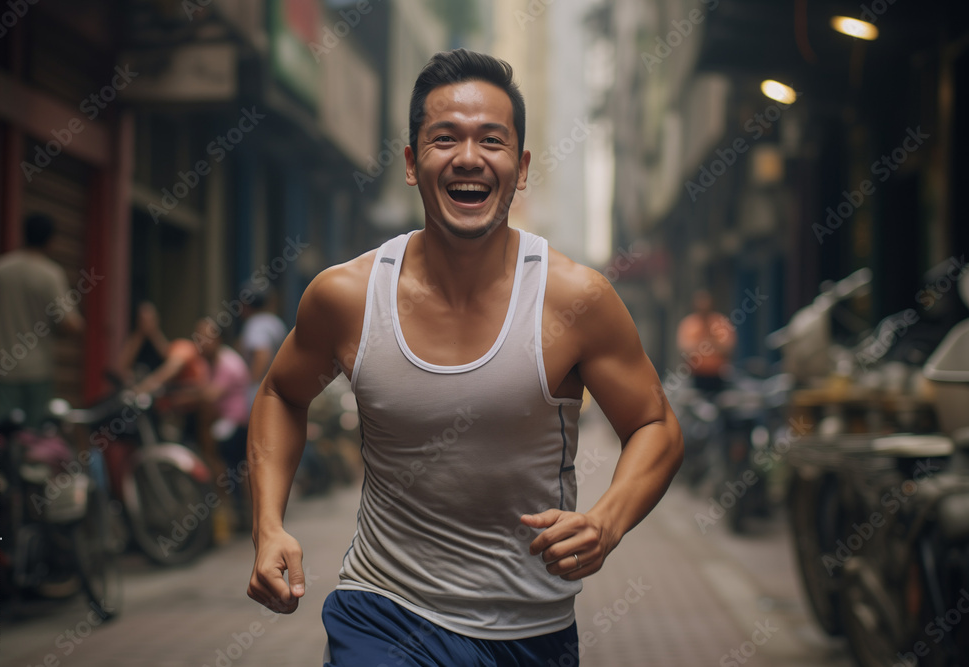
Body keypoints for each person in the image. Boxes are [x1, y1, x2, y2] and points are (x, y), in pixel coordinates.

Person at [247, 49, 684, 666]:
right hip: (382, 611)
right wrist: (269, 525)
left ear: (521, 166)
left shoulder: (575, 299)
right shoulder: (348, 296)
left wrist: (607, 521)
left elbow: (655, 425)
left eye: (492, 140)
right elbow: (280, 393)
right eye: (444, 138)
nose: (469, 158)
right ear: (410, 162)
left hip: (529, 631)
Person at [0, 213, 85, 426]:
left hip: (1, 366)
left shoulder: (0, 268)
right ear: (50, 240)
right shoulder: (50, 274)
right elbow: (71, 323)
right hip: (38, 370)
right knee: (34, 440)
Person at [195, 319, 252, 530]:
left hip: (234, 426)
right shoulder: (210, 361)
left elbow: (209, 396)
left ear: (217, 339)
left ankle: (231, 514)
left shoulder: (228, 364)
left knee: (223, 464)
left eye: (206, 337)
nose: (201, 342)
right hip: (224, 423)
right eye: (198, 336)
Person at [676, 289, 737, 394]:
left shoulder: (721, 322)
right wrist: (710, 346)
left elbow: (728, 347)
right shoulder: (689, 324)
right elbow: (685, 349)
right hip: (696, 376)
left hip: (718, 376)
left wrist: (708, 345)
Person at [238, 286, 287, 407]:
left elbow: (262, 354)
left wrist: (252, 386)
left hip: (262, 388)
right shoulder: (274, 321)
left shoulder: (256, 324)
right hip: (278, 387)